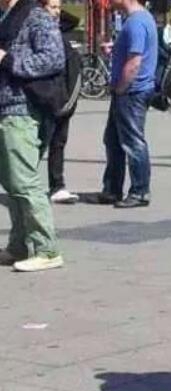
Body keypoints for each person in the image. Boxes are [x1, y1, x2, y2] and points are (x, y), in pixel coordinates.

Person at [0, 0, 65, 272]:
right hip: (7, 109)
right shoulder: (7, 18)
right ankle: (18, 245)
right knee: (12, 182)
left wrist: (8, 60)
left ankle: (47, 248)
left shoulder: (36, 17)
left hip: (22, 110)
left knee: (24, 181)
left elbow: (54, 58)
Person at [99, 0, 158, 208]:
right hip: (129, 92)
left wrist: (120, 88)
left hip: (131, 93)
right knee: (113, 140)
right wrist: (115, 49)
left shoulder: (136, 23)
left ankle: (140, 191)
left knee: (133, 142)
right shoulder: (139, 19)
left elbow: (134, 62)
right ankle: (112, 189)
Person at [39, 0, 82, 204]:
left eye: (58, 8)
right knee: (36, 144)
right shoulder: (40, 33)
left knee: (56, 143)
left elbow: (74, 20)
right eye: (53, 7)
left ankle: (57, 186)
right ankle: (24, 184)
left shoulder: (60, 36)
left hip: (60, 102)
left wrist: (66, 105)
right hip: (45, 99)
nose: (57, 12)